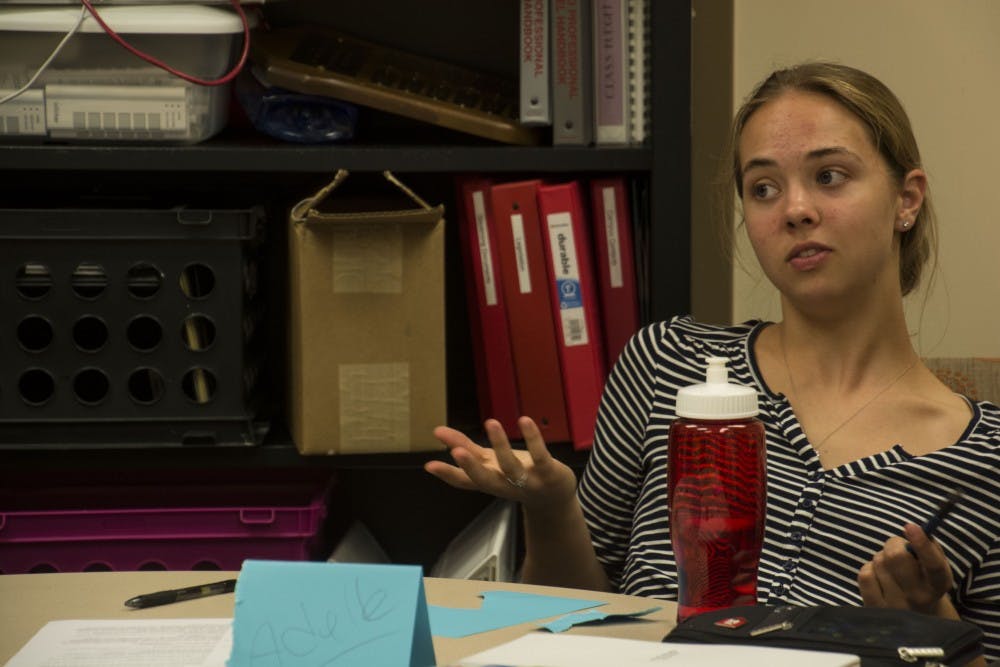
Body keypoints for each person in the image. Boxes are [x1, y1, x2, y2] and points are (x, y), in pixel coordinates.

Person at [426, 62, 1000, 664]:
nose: (795, 210)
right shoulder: (668, 361)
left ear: (906, 199)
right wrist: (551, 509)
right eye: (763, 188)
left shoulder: (984, 459)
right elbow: (572, 622)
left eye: (829, 176)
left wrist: (931, 626)